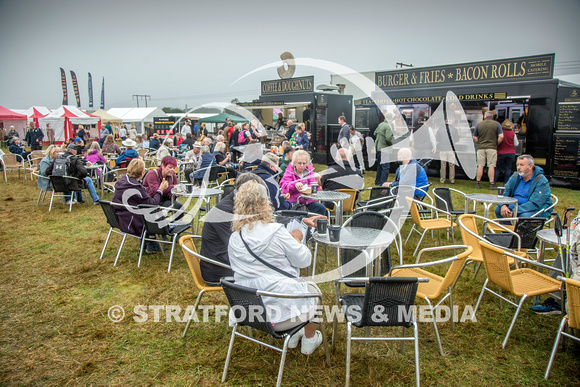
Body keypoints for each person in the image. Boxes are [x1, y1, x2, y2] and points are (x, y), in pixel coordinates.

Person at [228, 180, 324, 355]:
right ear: (266, 203)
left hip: (248, 310)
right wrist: (297, 240)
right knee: (315, 292)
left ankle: (294, 335)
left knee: (291, 287)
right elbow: (305, 261)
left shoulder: (235, 237)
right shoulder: (276, 231)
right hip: (278, 312)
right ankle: (310, 340)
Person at [112, 158, 167, 253]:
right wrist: (160, 190)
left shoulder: (122, 181)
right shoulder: (135, 187)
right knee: (157, 213)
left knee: (151, 212)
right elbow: (152, 204)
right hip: (133, 222)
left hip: (120, 218)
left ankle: (147, 242)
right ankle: (151, 243)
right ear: (142, 173)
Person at [494, 154, 552, 220]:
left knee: (524, 216)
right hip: (514, 206)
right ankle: (507, 230)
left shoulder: (541, 181)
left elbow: (535, 203)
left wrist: (515, 211)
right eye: (517, 165)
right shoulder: (515, 176)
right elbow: (505, 192)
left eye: (522, 165)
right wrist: (503, 205)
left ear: (530, 166)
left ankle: (520, 230)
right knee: (499, 210)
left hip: (533, 209)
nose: (518, 167)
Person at [280, 150, 326, 215]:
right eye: (299, 163)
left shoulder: (309, 172)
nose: (301, 166)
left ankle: (318, 225)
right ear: (294, 163)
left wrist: (310, 189)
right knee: (301, 213)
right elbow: (284, 186)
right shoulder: (289, 172)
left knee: (321, 208)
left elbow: (315, 185)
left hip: (308, 201)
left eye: (304, 163)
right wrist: (295, 185)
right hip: (294, 202)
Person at [473, 110, 503, 189]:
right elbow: (501, 136)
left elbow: (475, 137)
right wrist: (496, 143)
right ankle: (491, 184)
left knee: (480, 165)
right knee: (491, 166)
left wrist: (479, 143)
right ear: (492, 116)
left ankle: (478, 183)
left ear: (485, 116)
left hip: (481, 147)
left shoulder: (479, 124)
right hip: (492, 147)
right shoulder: (497, 124)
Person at [436, 118, 460, 184]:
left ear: (445, 122)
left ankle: (442, 179)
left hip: (442, 149)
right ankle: (452, 180)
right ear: (450, 122)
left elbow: (437, 138)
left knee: (443, 165)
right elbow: (457, 139)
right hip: (451, 149)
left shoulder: (440, 129)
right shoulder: (454, 130)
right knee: (452, 165)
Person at [495, 119, 519, 185]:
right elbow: (516, 144)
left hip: (500, 152)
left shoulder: (500, 133)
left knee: (498, 168)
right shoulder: (513, 133)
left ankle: (493, 182)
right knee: (508, 168)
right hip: (510, 153)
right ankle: (506, 183)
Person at [374, 113, 394, 186]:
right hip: (385, 149)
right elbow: (388, 138)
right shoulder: (388, 126)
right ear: (391, 118)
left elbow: (375, 132)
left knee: (380, 166)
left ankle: (377, 181)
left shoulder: (381, 124)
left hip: (378, 147)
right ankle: (383, 183)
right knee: (386, 167)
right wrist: (392, 144)